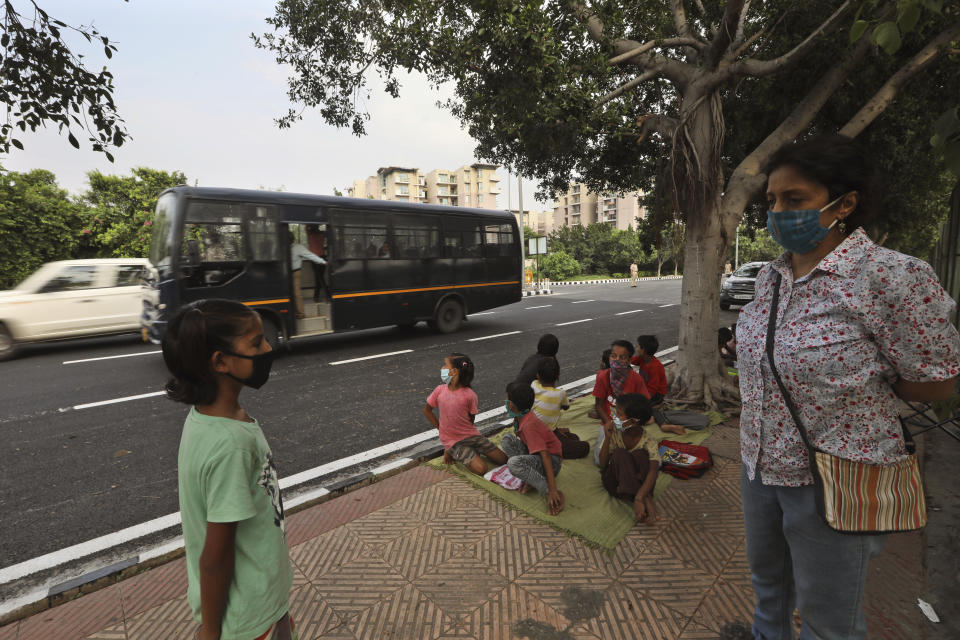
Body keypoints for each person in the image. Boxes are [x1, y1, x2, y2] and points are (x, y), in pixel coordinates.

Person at [737, 134, 960, 640]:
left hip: (837, 475)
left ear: (845, 204)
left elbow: (939, 382)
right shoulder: (771, 278)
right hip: (760, 466)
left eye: (795, 200)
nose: (778, 213)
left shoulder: (893, 277)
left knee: (829, 621)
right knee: (768, 594)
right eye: (772, 201)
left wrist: (867, 389)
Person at [162, 300, 296, 640]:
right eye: (256, 343)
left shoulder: (211, 419)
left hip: (262, 601)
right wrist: (209, 632)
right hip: (249, 618)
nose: (268, 348)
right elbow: (215, 558)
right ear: (220, 361)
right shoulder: (230, 446)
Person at [424, 353, 508, 475]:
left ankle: (470, 451)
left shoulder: (470, 395)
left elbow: (471, 419)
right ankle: (454, 451)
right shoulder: (440, 390)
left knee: (504, 460)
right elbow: (427, 410)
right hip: (453, 441)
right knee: (481, 469)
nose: (442, 368)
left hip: (471, 436)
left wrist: (472, 439)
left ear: (454, 372)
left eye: (445, 365)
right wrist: (442, 431)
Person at [594, 393, 661, 523]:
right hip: (615, 484)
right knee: (620, 453)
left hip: (631, 488)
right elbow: (602, 464)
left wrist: (638, 498)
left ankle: (639, 497)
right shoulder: (614, 433)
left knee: (642, 455)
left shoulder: (649, 440)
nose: (614, 417)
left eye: (619, 414)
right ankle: (646, 499)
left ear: (634, 421)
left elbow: (654, 470)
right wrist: (607, 437)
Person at [500, 382, 564, 515]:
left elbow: (545, 455)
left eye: (507, 400)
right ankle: (532, 478)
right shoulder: (520, 416)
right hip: (536, 455)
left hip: (552, 462)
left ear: (511, 405)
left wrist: (552, 490)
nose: (506, 403)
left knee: (513, 464)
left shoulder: (529, 424)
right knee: (506, 439)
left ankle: (550, 493)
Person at [532, 357, 588, 459]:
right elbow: (566, 407)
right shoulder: (560, 393)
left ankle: (551, 443)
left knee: (573, 437)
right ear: (558, 376)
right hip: (547, 435)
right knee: (585, 447)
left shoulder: (534, 385)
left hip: (531, 431)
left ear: (537, 376)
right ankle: (548, 451)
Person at [592, 340, 650, 422]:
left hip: (630, 422)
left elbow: (645, 405)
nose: (617, 360)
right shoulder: (603, 377)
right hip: (609, 422)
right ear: (609, 358)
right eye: (613, 356)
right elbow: (599, 405)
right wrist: (609, 423)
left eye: (622, 357)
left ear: (629, 361)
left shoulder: (636, 379)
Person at [289, 231, 326, 319]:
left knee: (296, 293)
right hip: (284, 273)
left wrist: (322, 262)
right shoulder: (282, 248)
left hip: (295, 273)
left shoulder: (298, 247)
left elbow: (310, 256)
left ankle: (301, 313)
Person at [631, 335, 667, 404]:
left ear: (643, 350)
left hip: (657, 394)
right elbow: (631, 360)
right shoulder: (642, 358)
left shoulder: (655, 367)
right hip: (645, 388)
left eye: (637, 346)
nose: (636, 348)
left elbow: (653, 388)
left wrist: (642, 399)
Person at [305, 225, 326, 302]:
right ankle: (324, 295)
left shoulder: (310, 234)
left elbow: (306, 227)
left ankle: (317, 297)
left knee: (319, 278)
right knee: (320, 278)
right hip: (322, 257)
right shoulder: (322, 234)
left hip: (313, 258)